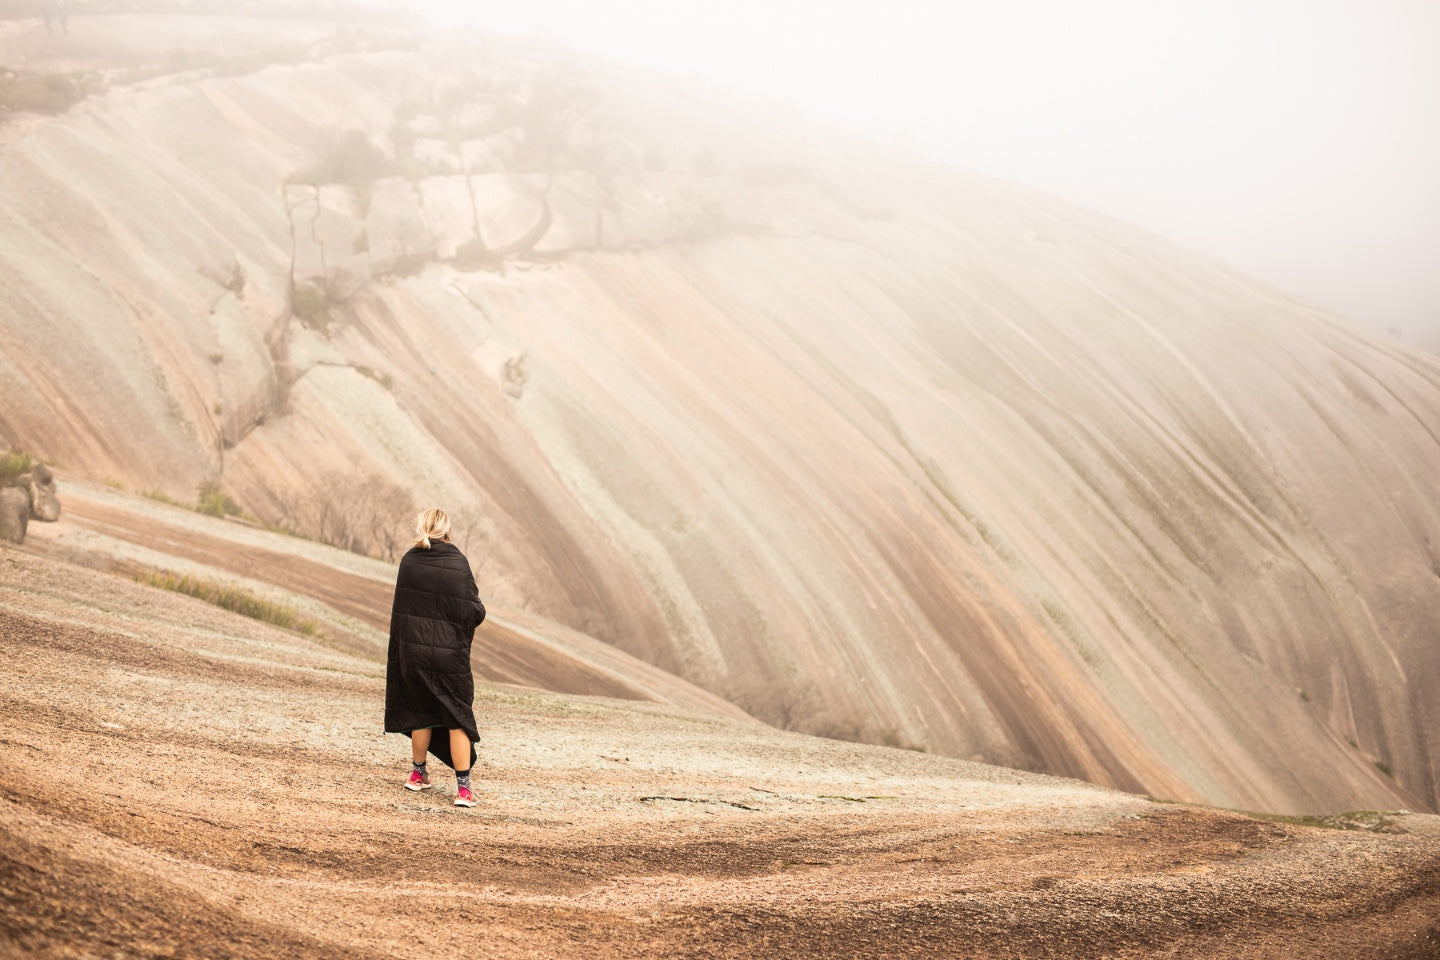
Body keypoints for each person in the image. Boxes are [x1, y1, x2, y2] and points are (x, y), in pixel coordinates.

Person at [384, 507, 486, 807]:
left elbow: (401, 610)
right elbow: (473, 609)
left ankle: (417, 776)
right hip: (448, 657)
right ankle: (464, 791)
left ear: (422, 527)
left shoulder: (409, 560)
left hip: (412, 652)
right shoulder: (457, 561)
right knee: (457, 717)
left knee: (421, 711)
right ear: (446, 529)